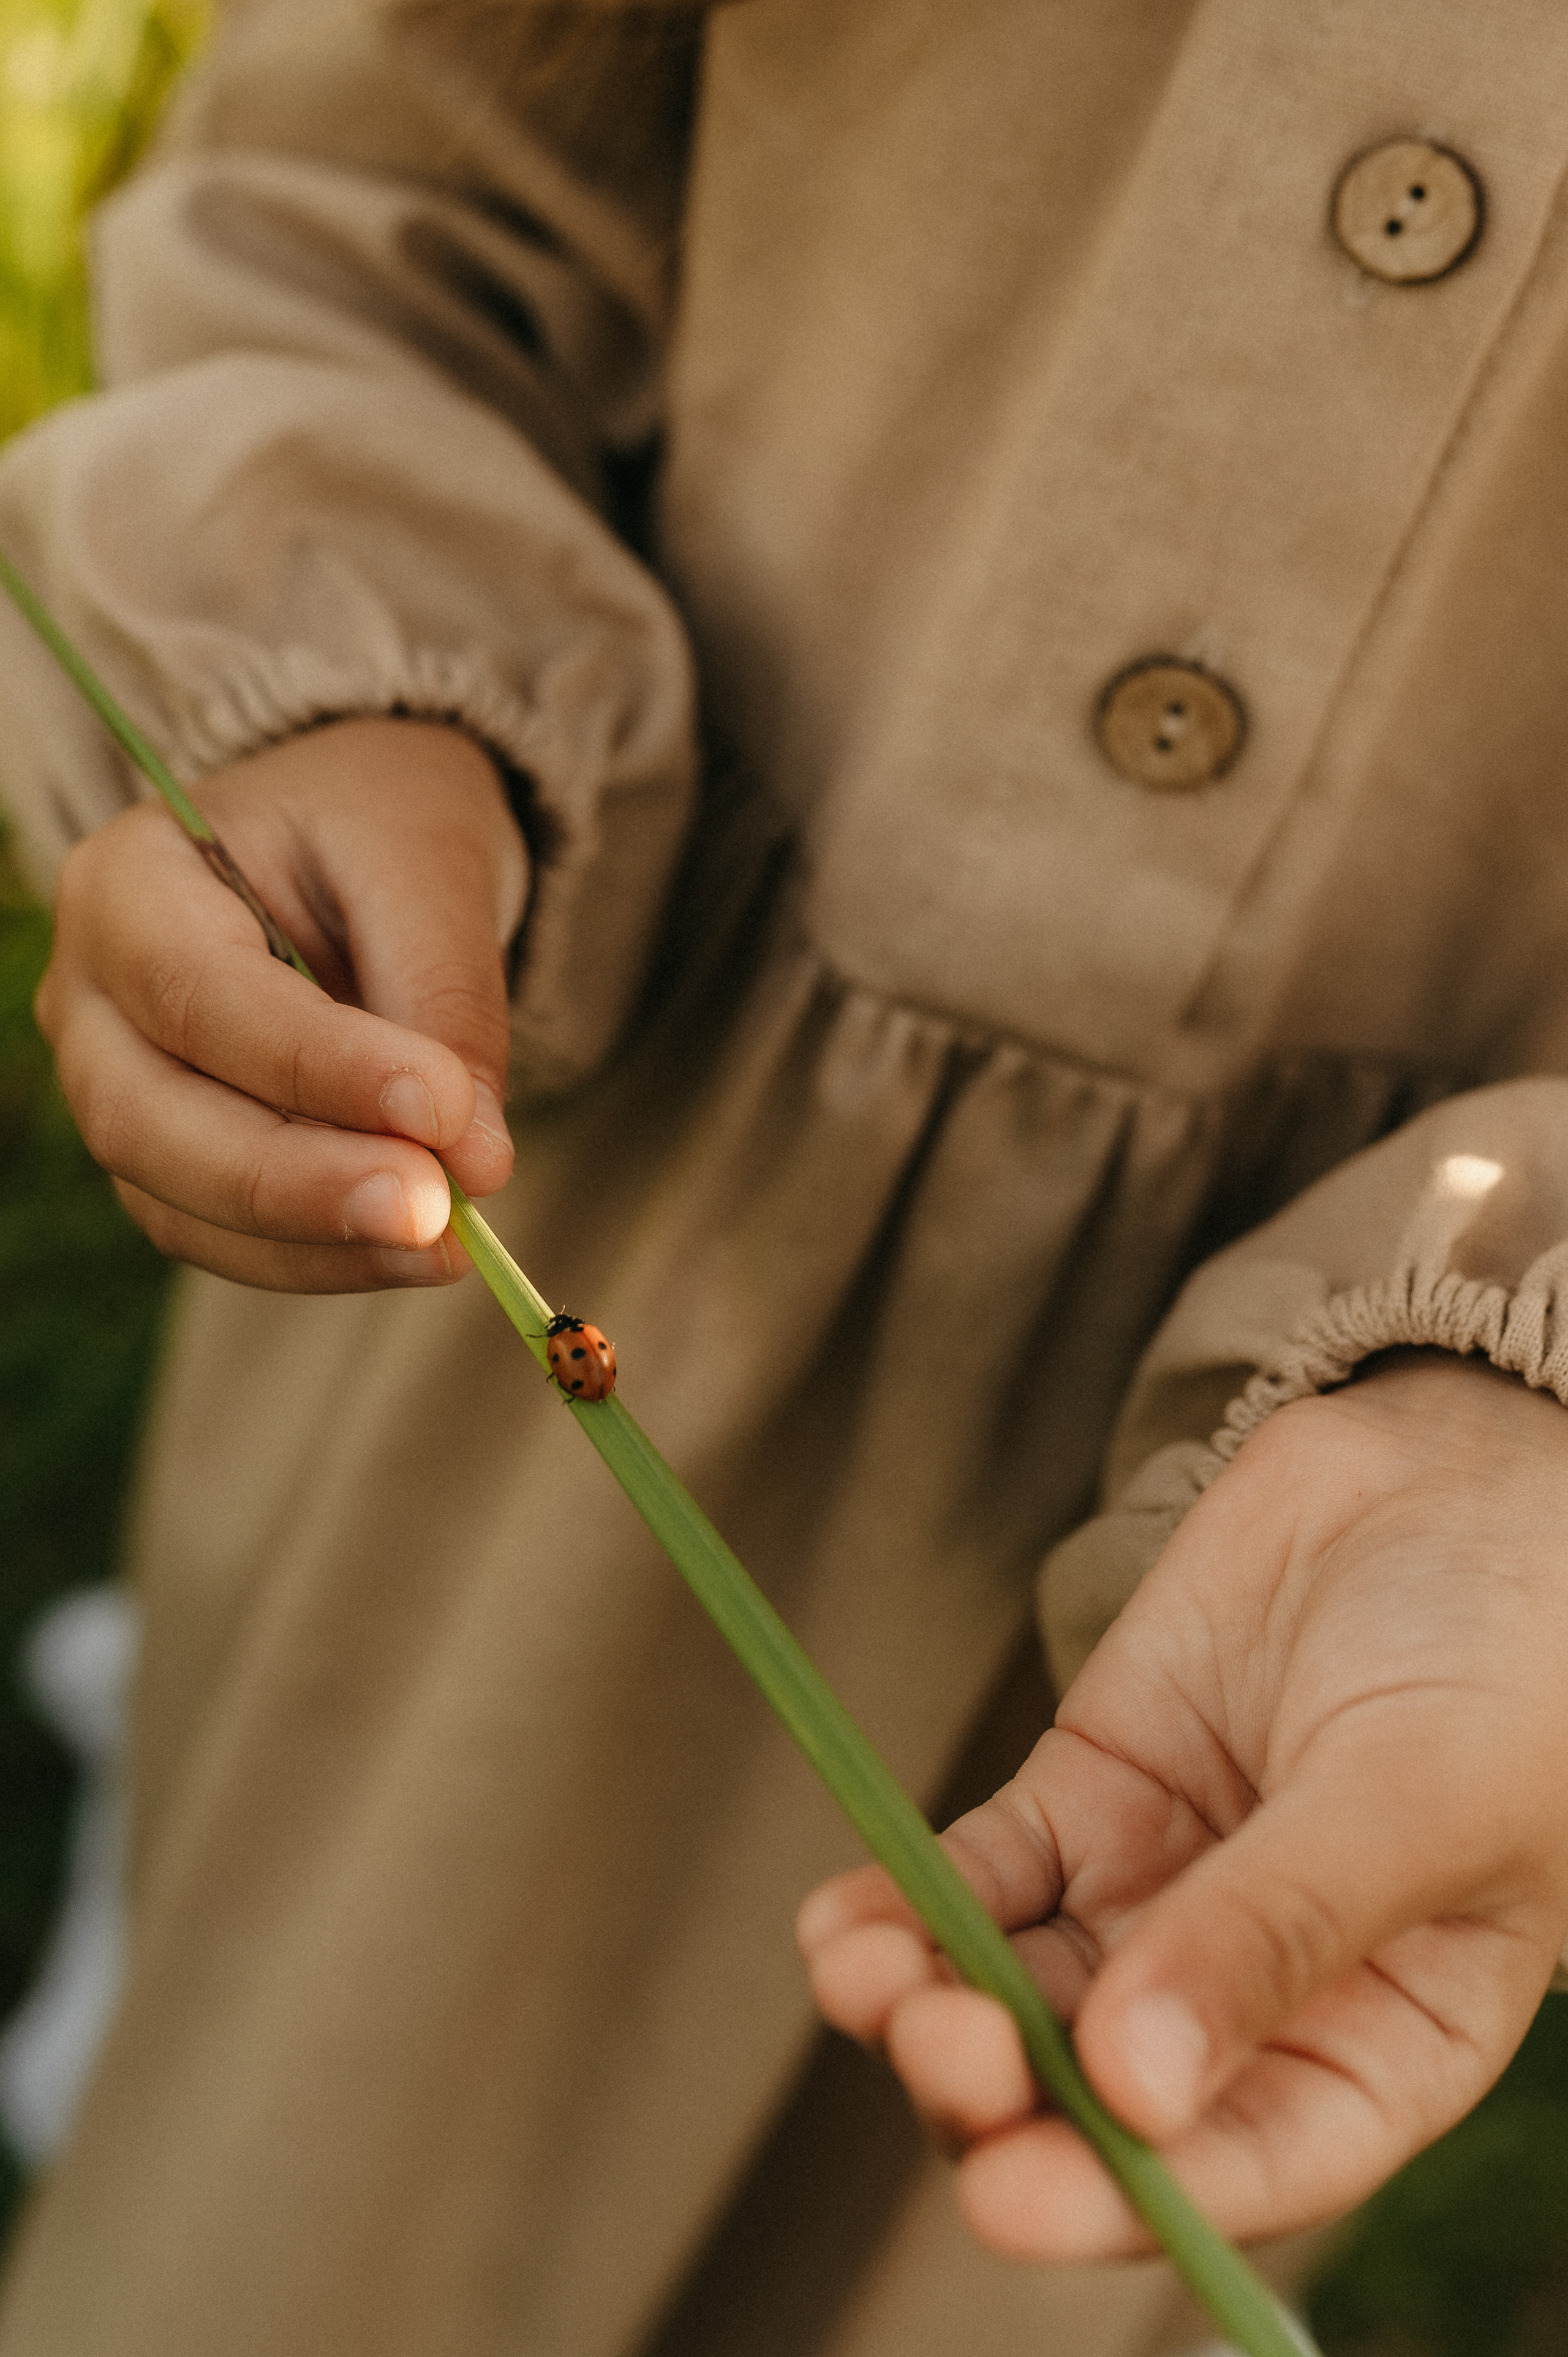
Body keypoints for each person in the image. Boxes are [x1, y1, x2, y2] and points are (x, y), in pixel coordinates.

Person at [1, 2, 1567, 2352]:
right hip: (607, 1180)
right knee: (327, 2089)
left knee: (984, 2197)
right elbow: (410, 153)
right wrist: (353, 673)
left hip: (1332, 1607)